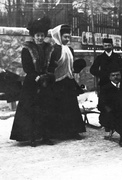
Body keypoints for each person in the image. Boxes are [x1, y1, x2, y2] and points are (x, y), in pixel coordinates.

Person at [10, 17, 56, 147]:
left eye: (42, 35)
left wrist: (48, 75)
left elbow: (52, 64)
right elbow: (27, 67)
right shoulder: (27, 49)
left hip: (46, 81)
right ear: (33, 36)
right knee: (32, 110)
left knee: (46, 109)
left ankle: (46, 136)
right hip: (32, 82)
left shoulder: (49, 48)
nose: (40, 38)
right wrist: (36, 76)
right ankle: (32, 137)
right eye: (38, 35)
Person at [50, 24, 86, 139]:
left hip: (68, 81)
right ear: (59, 37)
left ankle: (73, 131)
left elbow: (71, 66)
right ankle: (59, 132)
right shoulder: (54, 49)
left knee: (71, 107)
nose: (67, 39)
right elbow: (51, 66)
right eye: (65, 37)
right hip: (58, 82)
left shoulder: (70, 49)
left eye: (68, 37)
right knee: (59, 107)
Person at [97, 64, 122, 138]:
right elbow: (101, 103)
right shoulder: (105, 89)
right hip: (110, 111)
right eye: (113, 75)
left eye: (117, 75)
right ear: (109, 77)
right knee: (107, 114)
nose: (115, 77)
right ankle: (109, 129)